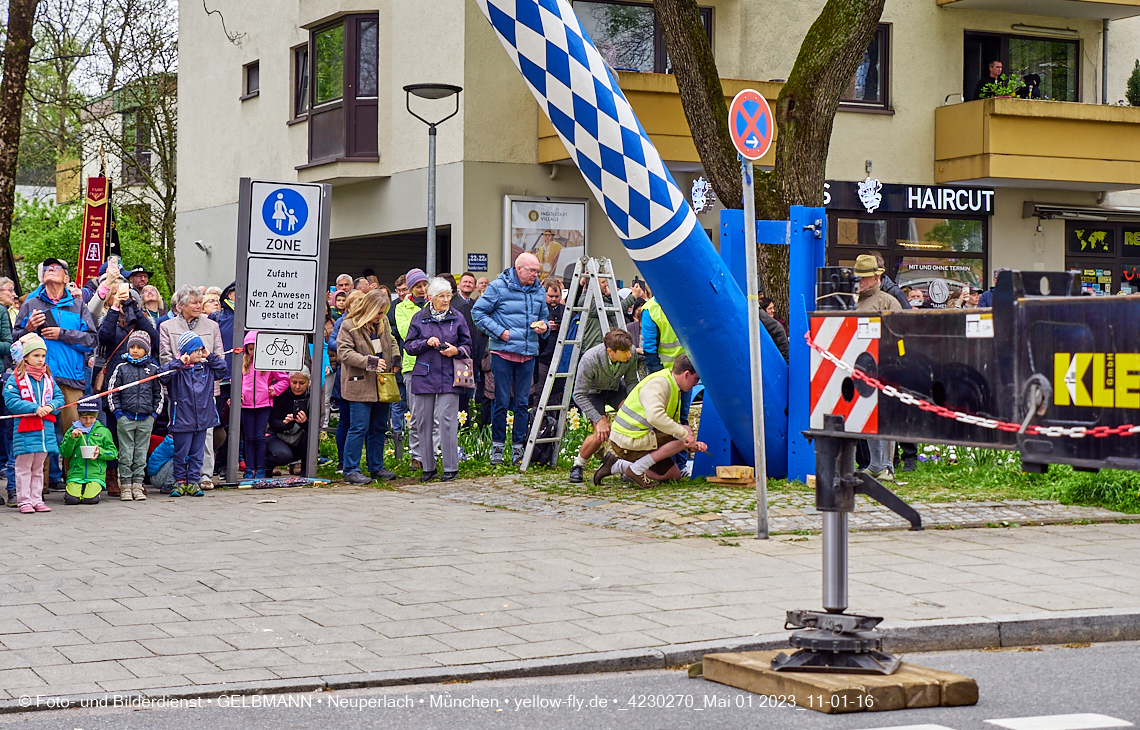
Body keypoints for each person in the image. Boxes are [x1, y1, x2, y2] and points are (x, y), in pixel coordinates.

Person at [13, 257, 97, 493]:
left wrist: (62, 334)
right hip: (38, 378)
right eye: (47, 268)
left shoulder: (79, 306)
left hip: (71, 378)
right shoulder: (30, 304)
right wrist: (28, 329)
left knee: (74, 431)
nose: (51, 270)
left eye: (56, 268)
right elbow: (14, 338)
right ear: (42, 277)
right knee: (41, 430)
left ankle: (74, 482)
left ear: (67, 278)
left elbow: (92, 340)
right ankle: (40, 487)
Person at [472, 252, 549, 465]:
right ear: (519, 269)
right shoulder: (498, 287)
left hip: (528, 353)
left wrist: (545, 327)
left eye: (537, 271)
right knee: (501, 401)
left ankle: (518, 449)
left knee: (523, 403)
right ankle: (497, 447)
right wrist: (499, 332)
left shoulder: (539, 290)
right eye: (532, 270)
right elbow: (478, 312)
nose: (535, 274)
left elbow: (544, 317)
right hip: (502, 353)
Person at [593, 354, 707, 488]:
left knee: (673, 475)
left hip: (638, 436)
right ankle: (636, 470)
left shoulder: (673, 386)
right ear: (686, 374)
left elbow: (670, 425)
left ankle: (619, 465)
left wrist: (690, 443)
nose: (696, 384)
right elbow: (655, 417)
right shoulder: (658, 384)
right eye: (696, 379)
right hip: (627, 441)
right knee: (683, 434)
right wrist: (685, 437)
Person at [403, 277, 473, 482]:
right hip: (424, 374)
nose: (446, 300)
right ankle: (428, 467)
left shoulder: (458, 317)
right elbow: (408, 346)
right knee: (424, 422)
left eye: (448, 295)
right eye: (441, 296)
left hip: (450, 375)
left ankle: (451, 467)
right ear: (431, 298)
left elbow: (468, 346)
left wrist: (456, 350)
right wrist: (426, 342)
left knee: (447, 421)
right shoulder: (419, 317)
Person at [159, 286, 225, 490]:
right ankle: (179, 478)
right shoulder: (167, 326)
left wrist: (208, 357)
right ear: (181, 306)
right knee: (182, 440)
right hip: (180, 392)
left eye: (200, 302)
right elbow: (164, 358)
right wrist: (182, 363)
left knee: (205, 438)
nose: (199, 306)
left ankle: (203, 475)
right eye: (194, 303)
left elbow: (220, 358)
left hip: (206, 390)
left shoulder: (212, 325)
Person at [337, 288, 400, 484]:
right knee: (359, 427)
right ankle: (350, 469)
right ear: (369, 308)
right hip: (360, 385)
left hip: (382, 383)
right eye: (378, 312)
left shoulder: (383, 322)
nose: (381, 316)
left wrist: (396, 359)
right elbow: (344, 353)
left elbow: (391, 341)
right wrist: (369, 362)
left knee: (378, 427)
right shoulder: (348, 325)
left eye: (383, 313)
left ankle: (376, 467)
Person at [854, 254, 901, 481]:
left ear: (875, 278)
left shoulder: (887, 301)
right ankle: (875, 464)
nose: (860, 282)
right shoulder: (852, 301)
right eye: (859, 277)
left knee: (883, 417)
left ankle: (886, 466)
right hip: (859, 365)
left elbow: (901, 335)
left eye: (864, 278)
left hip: (883, 365)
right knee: (865, 415)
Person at [569, 329, 638, 484]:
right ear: (610, 351)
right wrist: (598, 419)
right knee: (602, 432)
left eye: (629, 350)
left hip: (615, 389)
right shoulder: (590, 359)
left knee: (634, 420)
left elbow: (632, 382)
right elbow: (578, 394)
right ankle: (578, 465)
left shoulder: (631, 352)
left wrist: (633, 406)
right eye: (625, 352)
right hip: (594, 393)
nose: (630, 355)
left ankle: (630, 467)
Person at [5, 334, 65, 512]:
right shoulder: (15, 378)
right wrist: (34, 408)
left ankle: (37, 499)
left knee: (38, 467)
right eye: (36, 356)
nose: (40, 360)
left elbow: (59, 398)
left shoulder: (48, 378)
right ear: (25, 357)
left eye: (43, 356)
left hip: (45, 430)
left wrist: (51, 405)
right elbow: (11, 401)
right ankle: (24, 500)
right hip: (25, 430)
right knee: (24, 467)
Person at [107, 331, 162, 501]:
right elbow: (112, 393)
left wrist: (153, 414)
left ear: (146, 350)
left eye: (139, 347)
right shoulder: (121, 368)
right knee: (125, 453)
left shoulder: (153, 369)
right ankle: (125, 485)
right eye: (132, 347)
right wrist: (118, 413)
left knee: (140, 453)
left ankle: (138, 484)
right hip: (125, 419)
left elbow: (158, 394)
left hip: (146, 418)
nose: (135, 350)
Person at [240, 331, 290, 479]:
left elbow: (284, 379)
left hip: (264, 404)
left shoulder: (269, 362)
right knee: (249, 438)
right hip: (246, 405)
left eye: (255, 348)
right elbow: (235, 380)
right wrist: (239, 394)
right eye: (249, 349)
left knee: (259, 437)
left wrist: (274, 390)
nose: (252, 352)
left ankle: (260, 468)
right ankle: (250, 469)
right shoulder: (242, 363)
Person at [396, 268, 429, 466]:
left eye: (425, 285)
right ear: (411, 288)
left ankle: (432, 453)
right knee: (416, 413)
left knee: (434, 415)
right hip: (412, 365)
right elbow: (406, 332)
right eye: (418, 286)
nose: (423, 289)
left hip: (436, 365)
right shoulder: (402, 308)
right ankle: (417, 455)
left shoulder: (435, 303)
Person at [60, 399, 117, 505]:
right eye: (84, 417)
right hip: (76, 473)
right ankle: (78, 491)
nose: (88, 421)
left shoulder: (104, 431)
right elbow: (65, 453)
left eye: (92, 417)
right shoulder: (72, 430)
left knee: (90, 500)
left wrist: (100, 452)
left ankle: (91, 491)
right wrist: (72, 439)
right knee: (71, 500)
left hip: (95, 474)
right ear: (79, 416)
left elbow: (113, 453)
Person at [267, 369, 312, 475]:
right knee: (283, 455)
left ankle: (305, 470)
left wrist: (304, 422)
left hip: (299, 437)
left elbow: (315, 426)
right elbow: (272, 422)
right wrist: (285, 423)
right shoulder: (280, 394)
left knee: (311, 437)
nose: (297, 387)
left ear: (308, 383)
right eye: (294, 382)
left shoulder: (312, 397)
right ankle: (267, 466)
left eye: (302, 383)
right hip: (277, 435)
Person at [532, 278, 565, 404]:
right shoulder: (539, 309)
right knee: (539, 392)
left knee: (557, 394)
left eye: (556, 296)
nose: (554, 299)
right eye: (550, 296)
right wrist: (545, 326)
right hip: (543, 357)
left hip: (560, 358)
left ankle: (554, 422)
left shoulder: (564, 309)